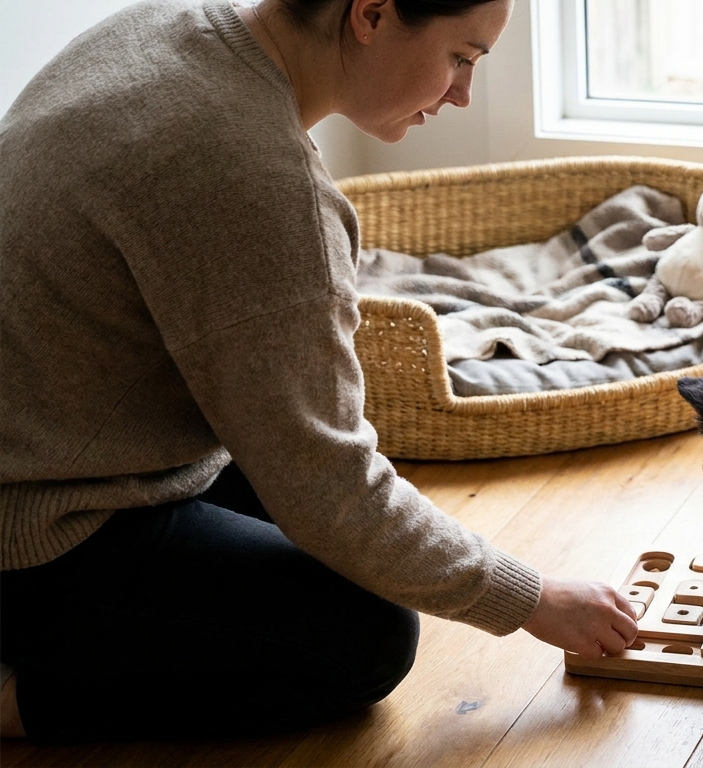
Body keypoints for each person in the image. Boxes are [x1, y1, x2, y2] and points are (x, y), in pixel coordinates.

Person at [0, 0, 638, 744]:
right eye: (461, 57)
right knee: (363, 639)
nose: (461, 93)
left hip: (59, 448)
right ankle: (18, 698)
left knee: (361, 543)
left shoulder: (161, 27)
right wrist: (535, 599)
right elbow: (330, 484)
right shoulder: (255, 181)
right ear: (369, 14)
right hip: (35, 530)